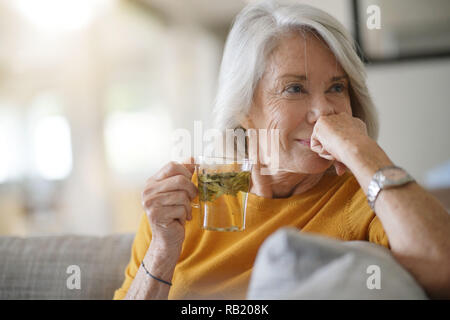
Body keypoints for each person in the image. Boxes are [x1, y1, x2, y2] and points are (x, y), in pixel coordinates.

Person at [114, 0, 450, 299]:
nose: (323, 111)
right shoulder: (190, 197)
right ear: (245, 110)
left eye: (336, 87)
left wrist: (365, 152)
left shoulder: (362, 196)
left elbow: (444, 271)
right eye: (294, 88)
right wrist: (161, 250)